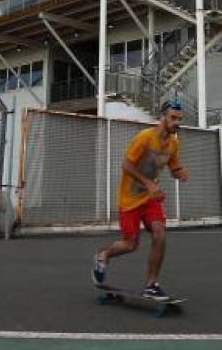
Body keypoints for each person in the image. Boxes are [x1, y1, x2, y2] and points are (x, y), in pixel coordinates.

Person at [92, 100, 189, 299]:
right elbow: (126, 165)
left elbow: (173, 165)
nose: (176, 122)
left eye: (179, 119)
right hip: (130, 199)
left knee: (160, 234)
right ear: (162, 116)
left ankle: (151, 284)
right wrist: (148, 183)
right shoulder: (145, 138)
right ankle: (103, 256)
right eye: (173, 118)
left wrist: (179, 172)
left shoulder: (174, 143)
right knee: (130, 244)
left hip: (150, 198)